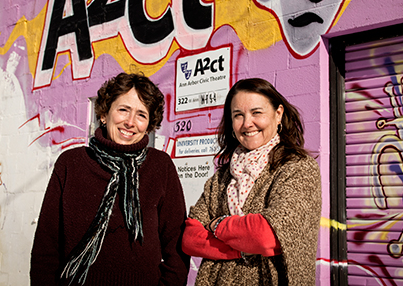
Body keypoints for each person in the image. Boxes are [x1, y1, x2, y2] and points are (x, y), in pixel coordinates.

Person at [30, 72, 190, 285]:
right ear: (104, 114)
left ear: (150, 125)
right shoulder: (71, 164)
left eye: (141, 115)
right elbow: (45, 247)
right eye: (123, 110)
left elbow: (177, 246)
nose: (130, 122)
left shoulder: (160, 167)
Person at [182, 78, 322, 285]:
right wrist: (242, 248)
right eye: (238, 115)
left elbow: (266, 235)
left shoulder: (297, 168)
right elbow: (190, 238)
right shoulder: (221, 178)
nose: (247, 123)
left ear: (278, 114)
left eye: (257, 113)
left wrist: (218, 224)